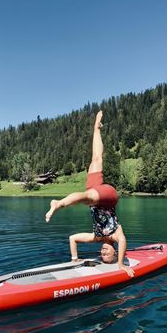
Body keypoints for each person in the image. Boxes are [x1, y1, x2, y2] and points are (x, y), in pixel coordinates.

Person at [45, 110, 134, 278]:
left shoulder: (97, 237)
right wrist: (121, 264)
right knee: (90, 197)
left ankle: (96, 128)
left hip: (93, 195)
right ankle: (58, 203)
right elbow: (123, 241)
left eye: (103, 255)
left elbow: (73, 238)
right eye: (108, 254)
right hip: (108, 197)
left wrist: (74, 259)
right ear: (115, 252)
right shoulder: (115, 235)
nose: (104, 252)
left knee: (96, 159)